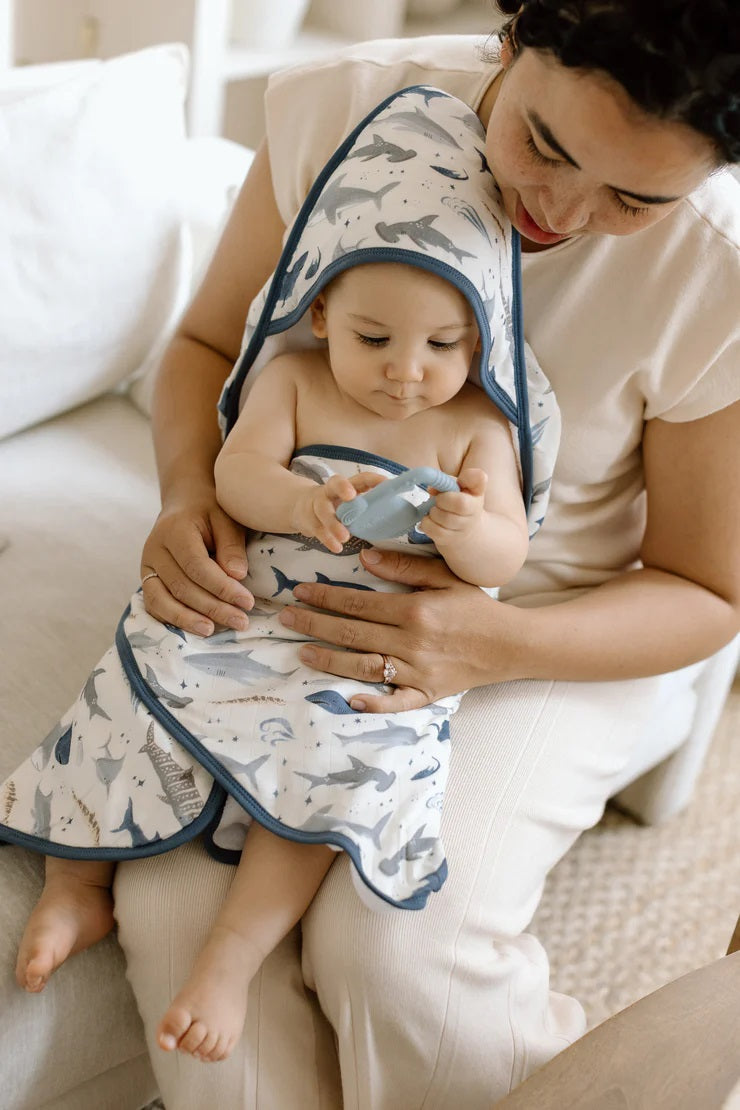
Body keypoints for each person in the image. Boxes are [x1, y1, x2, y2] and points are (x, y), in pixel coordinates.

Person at [28, 1, 740, 1106]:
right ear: (512, 40)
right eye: (544, 144)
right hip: (294, 589)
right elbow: (209, 344)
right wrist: (185, 501)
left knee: (399, 948)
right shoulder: (349, 105)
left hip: (562, 623)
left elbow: (704, 588)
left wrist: (492, 640)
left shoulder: (714, 272)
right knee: (177, 913)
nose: (557, 207)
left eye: (635, 197)